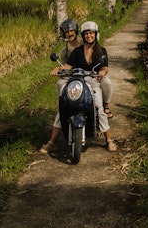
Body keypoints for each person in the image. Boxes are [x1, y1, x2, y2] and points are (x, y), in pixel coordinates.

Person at [41, 20, 117, 153]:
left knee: (98, 109)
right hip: (79, 80)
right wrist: (58, 68)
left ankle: (109, 139)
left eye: (91, 33)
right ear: (83, 35)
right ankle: (52, 142)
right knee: (64, 107)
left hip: (94, 81)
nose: (89, 36)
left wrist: (102, 72)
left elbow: (105, 67)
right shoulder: (77, 50)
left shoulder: (101, 50)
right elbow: (68, 66)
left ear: (96, 35)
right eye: (86, 34)